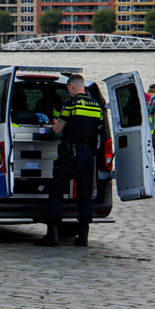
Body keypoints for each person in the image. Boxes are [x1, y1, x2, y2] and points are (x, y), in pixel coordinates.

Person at [36, 74, 104, 248]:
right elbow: (99, 129)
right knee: (84, 195)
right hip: (88, 155)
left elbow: (58, 129)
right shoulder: (97, 106)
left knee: (57, 192)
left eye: (68, 89)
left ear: (72, 87)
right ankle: (83, 236)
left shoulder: (71, 104)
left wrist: (52, 124)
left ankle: (52, 235)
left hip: (70, 154)